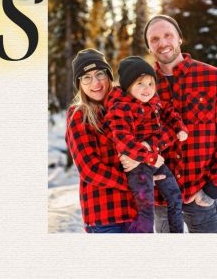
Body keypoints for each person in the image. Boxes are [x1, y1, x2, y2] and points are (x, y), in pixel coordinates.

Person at [138, 15, 217, 232]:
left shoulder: (212, 79)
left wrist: (211, 190)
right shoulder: (142, 88)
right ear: (149, 46)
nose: (162, 43)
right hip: (161, 199)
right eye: (154, 39)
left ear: (179, 38)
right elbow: (131, 138)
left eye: (167, 35)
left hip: (202, 196)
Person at [106, 56, 187, 232]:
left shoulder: (154, 100)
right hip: (139, 167)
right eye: (140, 83)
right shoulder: (121, 107)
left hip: (154, 160)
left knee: (175, 197)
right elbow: (123, 142)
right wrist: (150, 157)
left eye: (151, 83)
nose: (147, 89)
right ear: (128, 86)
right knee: (145, 210)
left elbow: (169, 111)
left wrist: (179, 127)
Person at [64, 49, 137, 233]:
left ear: (109, 76)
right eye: (86, 77)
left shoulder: (126, 108)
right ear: (80, 84)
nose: (95, 83)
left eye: (99, 74)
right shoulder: (78, 116)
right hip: (105, 218)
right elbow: (89, 169)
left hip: (136, 212)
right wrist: (134, 182)